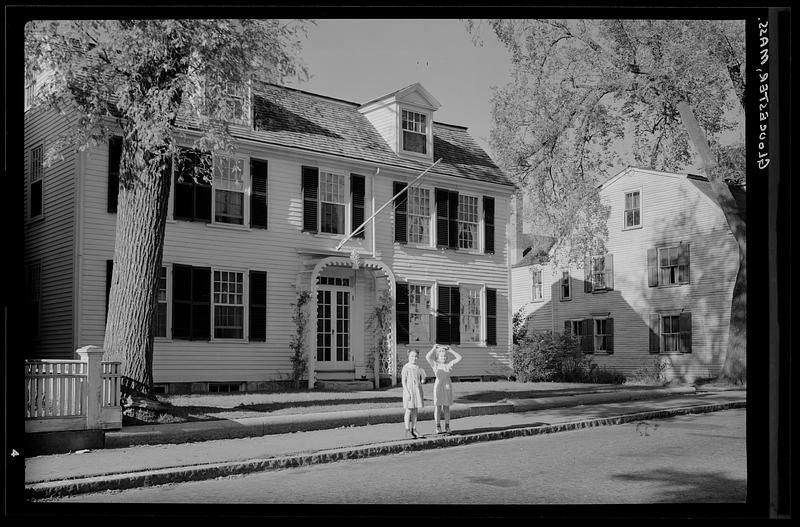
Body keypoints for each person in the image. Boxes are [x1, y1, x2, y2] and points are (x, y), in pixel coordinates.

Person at [425, 344, 462, 434]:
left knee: (446, 407)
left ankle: (447, 425)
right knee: (437, 407)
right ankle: (438, 425)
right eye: (441, 356)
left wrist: (451, 350)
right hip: (438, 386)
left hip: (447, 386)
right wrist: (433, 348)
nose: (443, 357)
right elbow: (427, 357)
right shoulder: (435, 364)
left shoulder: (449, 365)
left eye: (445, 356)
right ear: (438, 357)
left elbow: (459, 357)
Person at [401, 349, 426, 439]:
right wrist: (407, 392)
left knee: (415, 409)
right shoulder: (406, 367)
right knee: (409, 409)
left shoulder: (418, 368)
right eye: (412, 356)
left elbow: (422, 376)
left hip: (417, 390)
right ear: (408, 357)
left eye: (415, 356)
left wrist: (423, 379)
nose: (414, 358)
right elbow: (403, 381)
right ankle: (407, 428)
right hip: (409, 390)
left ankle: (414, 428)